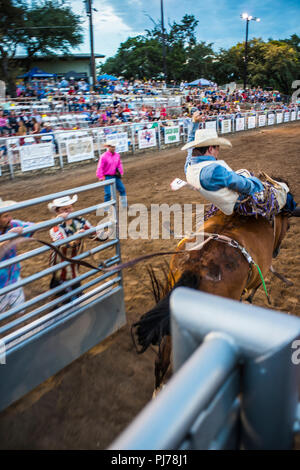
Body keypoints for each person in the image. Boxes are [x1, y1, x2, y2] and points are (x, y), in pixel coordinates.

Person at [182, 113, 295, 217]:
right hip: (240, 204)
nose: (218, 152)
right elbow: (243, 185)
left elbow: (190, 151)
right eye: (217, 148)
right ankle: (293, 209)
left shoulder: (189, 167)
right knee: (281, 192)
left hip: (221, 200)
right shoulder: (213, 170)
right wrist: (259, 184)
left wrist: (195, 123)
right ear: (211, 149)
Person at [48, 195, 103, 302]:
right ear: (57, 211)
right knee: (64, 290)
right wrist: (76, 237)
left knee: (68, 289)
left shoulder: (80, 221)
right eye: (64, 209)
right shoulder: (55, 227)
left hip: (74, 263)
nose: (68, 211)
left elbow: (94, 234)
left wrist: (104, 233)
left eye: (69, 208)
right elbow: (65, 243)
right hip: (60, 265)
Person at [0, 199, 35, 312]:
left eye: (10, 214)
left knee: (20, 310)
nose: (10, 218)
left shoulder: (13, 225)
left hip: (14, 277)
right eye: (6, 216)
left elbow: (37, 226)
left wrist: (58, 218)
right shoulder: (10, 230)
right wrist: (7, 239)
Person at [96, 143, 127, 209]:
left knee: (122, 189)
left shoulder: (117, 155)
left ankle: (124, 205)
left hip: (115, 175)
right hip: (107, 176)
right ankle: (106, 208)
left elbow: (119, 164)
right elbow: (100, 167)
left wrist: (121, 172)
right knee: (108, 193)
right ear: (108, 147)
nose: (113, 148)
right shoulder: (104, 156)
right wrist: (100, 176)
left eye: (114, 147)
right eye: (112, 147)